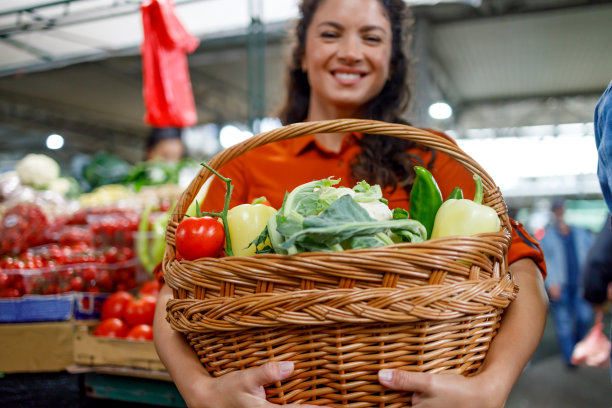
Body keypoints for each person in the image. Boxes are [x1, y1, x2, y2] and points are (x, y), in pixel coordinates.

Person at [153, 1, 548, 407]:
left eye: (371, 37)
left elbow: (521, 268)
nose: (350, 52)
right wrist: (200, 391)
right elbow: (175, 287)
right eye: (330, 33)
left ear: (391, 61)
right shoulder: (245, 163)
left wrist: (491, 386)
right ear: (302, 55)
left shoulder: (433, 155)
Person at [540, 198, 594, 368]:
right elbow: (544, 259)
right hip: (560, 286)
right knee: (563, 323)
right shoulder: (547, 236)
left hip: (580, 284)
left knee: (584, 317)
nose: (559, 213)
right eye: (556, 210)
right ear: (553, 212)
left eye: (561, 209)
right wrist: (550, 283)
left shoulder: (579, 233)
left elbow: (593, 252)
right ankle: (571, 359)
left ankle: (577, 347)